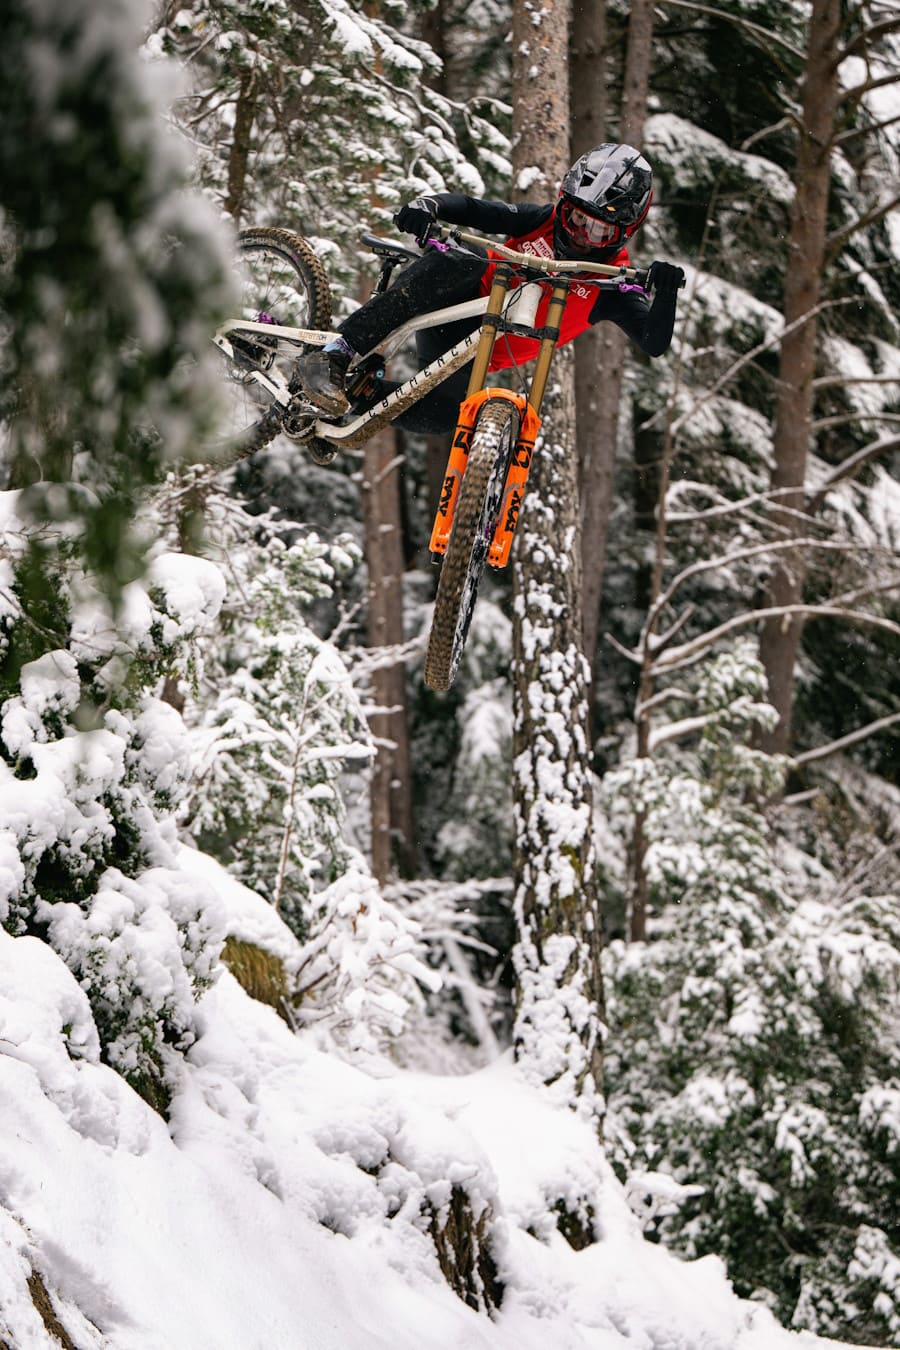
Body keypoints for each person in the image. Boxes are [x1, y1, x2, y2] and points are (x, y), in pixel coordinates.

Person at [297, 144, 685, 434]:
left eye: (599, 230)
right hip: (452, 304)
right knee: (463, 257)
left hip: (470, 352)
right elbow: (474, 209)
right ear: (563, 204)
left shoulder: (612, 284)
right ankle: (335, 353)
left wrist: (665, 293)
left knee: (444, 415)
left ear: (624, 234)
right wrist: (430, 204)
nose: (580, 235)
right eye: (574, 218)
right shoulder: (542, 221)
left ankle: (353, 397)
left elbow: (654, 341)